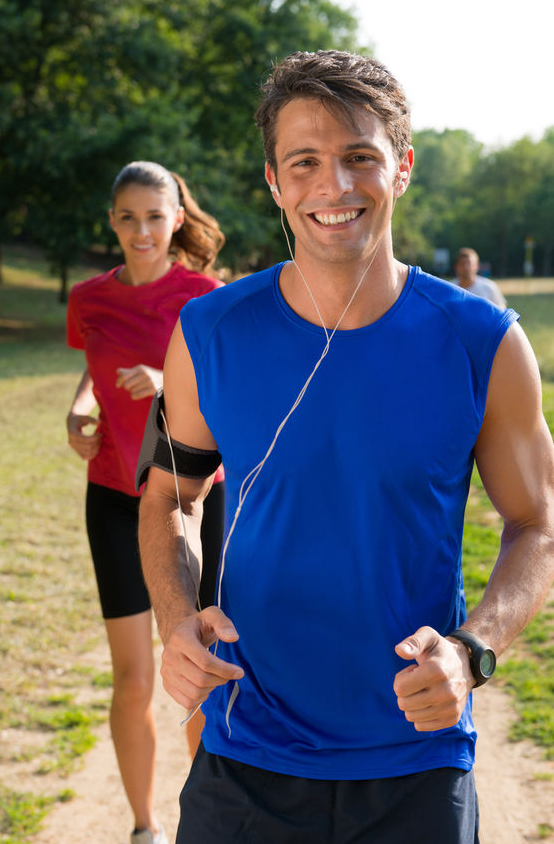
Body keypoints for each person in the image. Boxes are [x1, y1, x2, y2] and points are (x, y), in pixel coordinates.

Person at [138, 51, 554, 844]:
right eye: (306, 163)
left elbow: (539, 522)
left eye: (360, 157)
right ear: (275, 182)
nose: (334, 186)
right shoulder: (210, 333)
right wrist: (176, 618)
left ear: (400, 167)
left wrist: (476, 651)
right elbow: (169, 496)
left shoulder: (483, 342)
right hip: (246, 751)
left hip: (416, 762)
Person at [66, 161, 225, 844]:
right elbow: (91, 366)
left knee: (199, 670)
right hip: (113, 497)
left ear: (177, 220)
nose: (141, 231)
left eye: (154, 217)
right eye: (127, 217)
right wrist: (79, 409)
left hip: (194, 503)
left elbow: (221, 393)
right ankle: (144, 827)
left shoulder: (206, 298)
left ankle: (211, 822)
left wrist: (167, 378)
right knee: (132, 678)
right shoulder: (88, 300)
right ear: (112, 222)